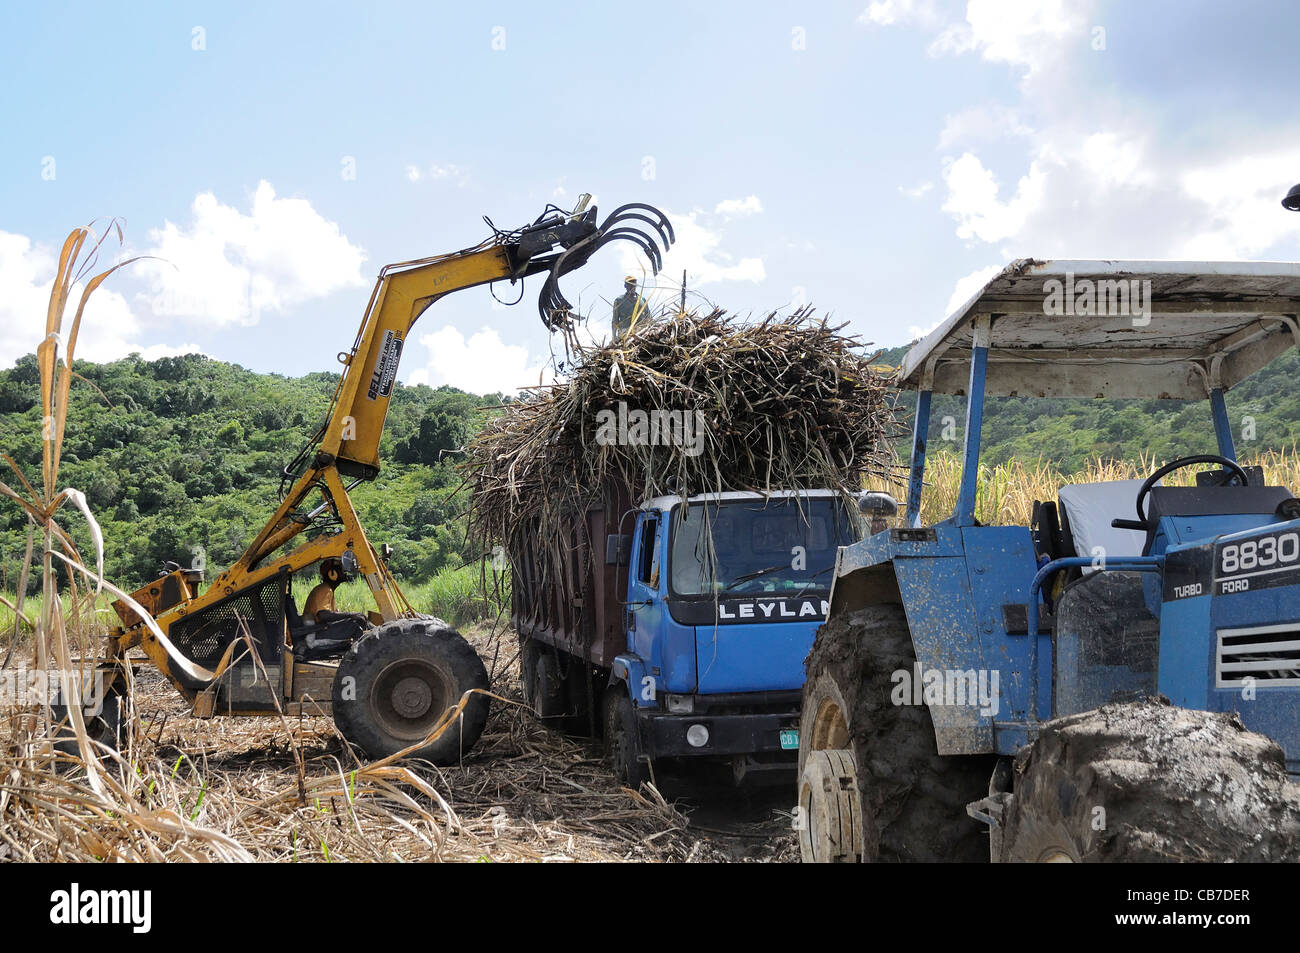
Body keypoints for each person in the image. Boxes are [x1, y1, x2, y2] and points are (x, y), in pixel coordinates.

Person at [302, 557, 367, 626]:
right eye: (341, 570)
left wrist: (351, 615)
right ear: (332, 574)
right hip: (319, 629)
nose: (344, 573)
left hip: (321, 627)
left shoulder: (328, 589)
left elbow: (334, 614)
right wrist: (351, 615)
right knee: (354, 626)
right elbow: (323, 615)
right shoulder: (324, 590)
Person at [612, 275, 651, 339]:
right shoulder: (619, 300)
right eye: (629, 284)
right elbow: (615, 321)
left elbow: (648, 318)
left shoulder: (642, 300)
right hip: (625, 333)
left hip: (641, 331)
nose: (632, 286)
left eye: (633, 283)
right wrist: (613, 337)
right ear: (625, 286)